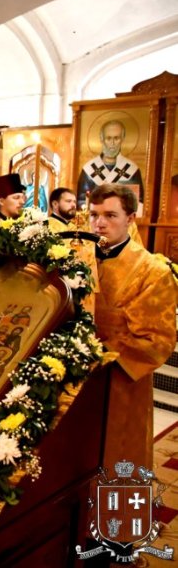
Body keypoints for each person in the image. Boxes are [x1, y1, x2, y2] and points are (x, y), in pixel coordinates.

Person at [89, 184, 177, 468]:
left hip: (120, 379)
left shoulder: (153, 271)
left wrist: (99, 355)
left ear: (130, 218)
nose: (100, 223)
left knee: (119, 453)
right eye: (94, 214)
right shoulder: (78, 258)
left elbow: (158, 340)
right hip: (75, 377)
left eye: (110, 215)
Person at [78, 120, 144, 216]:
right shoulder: (89, 169)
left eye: (116, 138)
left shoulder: (132, 170)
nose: (112, 143)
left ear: (122, 139)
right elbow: (81, 200)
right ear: (102, 139)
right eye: (108, 138)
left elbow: (138, 202)